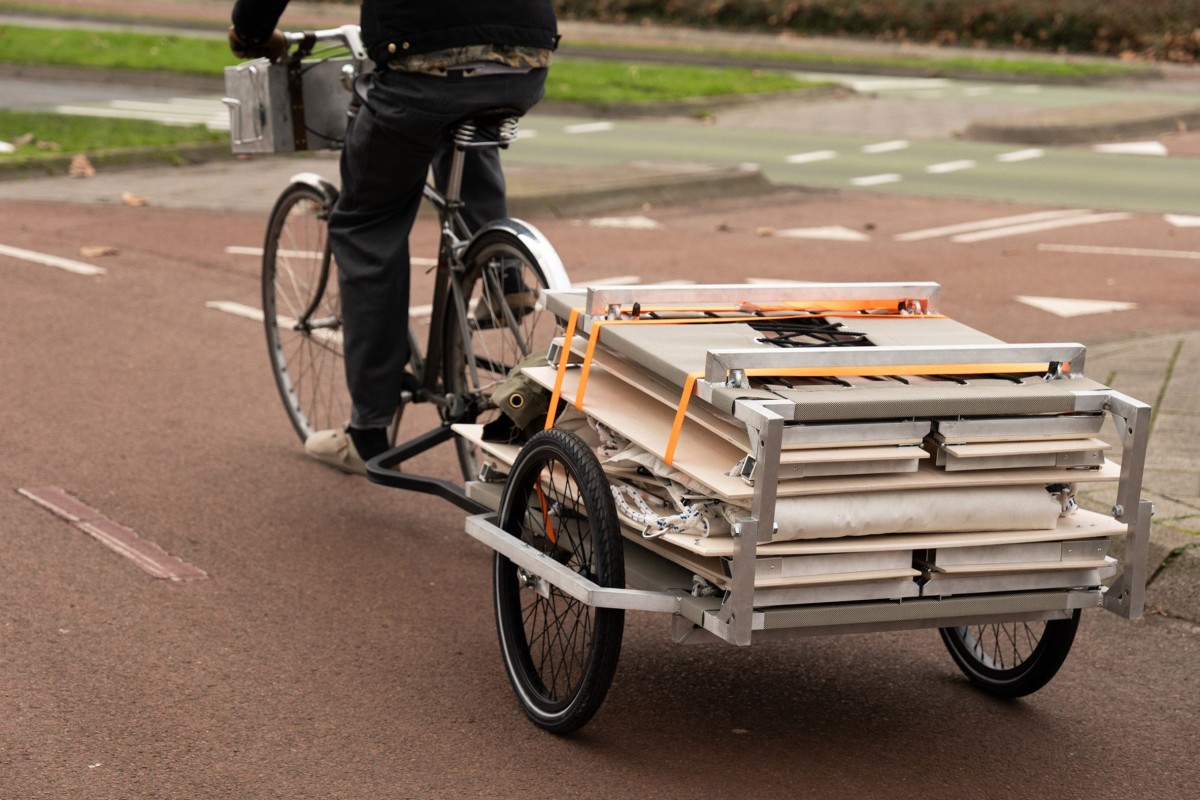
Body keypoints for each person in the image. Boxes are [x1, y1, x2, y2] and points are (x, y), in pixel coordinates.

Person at [229, 0, 558, 474]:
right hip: (526, 52)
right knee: (464, 117)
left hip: (423, 61)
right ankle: (505, 273)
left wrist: (251, 30)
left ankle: (368, 428)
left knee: (365, 224)